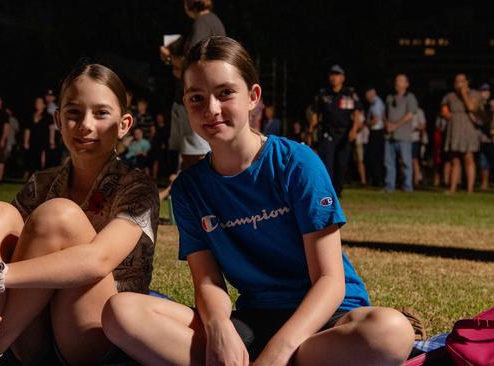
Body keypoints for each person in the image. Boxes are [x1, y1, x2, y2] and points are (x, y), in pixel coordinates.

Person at [103, 36, 414, 366]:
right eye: (197, 98)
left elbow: (330, 280)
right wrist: (220, 327)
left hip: (326, 319)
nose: (211, 109)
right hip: (256, 320)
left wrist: (277, 353)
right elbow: (207, 281)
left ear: (253, 97)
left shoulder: (296, 163)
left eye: (225, 93)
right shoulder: (189, 190)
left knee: (391, 331)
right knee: (120, 312)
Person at [0, 63, 159, 366]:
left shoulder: (138, 187)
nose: (85, 125)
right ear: (58, 120)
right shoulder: (43, 181)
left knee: (58, 215)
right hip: (28, 333)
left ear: (124, 124)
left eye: (101, 113)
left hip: (92, 332)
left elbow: (97, 260)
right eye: (74, 113)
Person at [163, 0, 225, 171]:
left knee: (194, 153)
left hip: (195, 100)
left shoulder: (202, 22)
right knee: (188, 151)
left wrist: (169, 58)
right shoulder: (213, 22)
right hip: (196, 97)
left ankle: (195, 193)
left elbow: (193, 62)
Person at [309, 65, 362, 197]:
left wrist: (354, 130)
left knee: (342, 163)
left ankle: (338, 190)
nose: (334, 77)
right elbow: (315, 114)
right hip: (327, 132)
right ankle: (327, 191)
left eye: (337, 74)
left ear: (343, 78)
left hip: (344, 134)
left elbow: (357, 113)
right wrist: (311, 131)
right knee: (327, 163)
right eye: (332, 74)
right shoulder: (323, 94)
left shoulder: (349, 94)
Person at [441, 73, 482, 193]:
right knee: (455, 159)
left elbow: (471, 107)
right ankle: (453, 188)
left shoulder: (474, 94)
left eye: (462, 81)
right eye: (457, 81)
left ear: (467, 82)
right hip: (455, 126)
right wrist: (445, 113)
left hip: (468, 127)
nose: (459, 84)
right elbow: (443, 108)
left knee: (468, 157)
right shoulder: (450, 96)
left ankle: (470, 189)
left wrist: (464, 93)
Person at [384, 74, 418, 193]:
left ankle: (408, 186)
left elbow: (410, 115)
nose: (398, 83)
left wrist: (395, 125)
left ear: (406, 84)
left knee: (406, 162)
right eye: (397, 80)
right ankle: (389, 186)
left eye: (401, 81)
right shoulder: (389, 97)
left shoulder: (410, 97)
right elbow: (385, 113)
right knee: (389, 162)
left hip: (403, 136)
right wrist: (387, 124)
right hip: (389, 136)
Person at [23, 97, 52, 177]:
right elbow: (27, 129)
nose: (37, 104)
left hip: (43, 140)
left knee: (43, 158)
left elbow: (51, 129)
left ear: (43, 105)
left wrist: (51, 140)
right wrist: (26, 141)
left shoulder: (48, 116)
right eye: (36, 102)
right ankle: (31, 176)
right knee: (32, 159)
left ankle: (42, 174)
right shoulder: (31, 116)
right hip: (33, 141)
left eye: (39, 103)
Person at [364, 87, 385, 187]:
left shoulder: (376, 103)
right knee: (375, 156)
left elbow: (376, 119)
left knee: (375, 156)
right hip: (377, 132)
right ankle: (377, 179)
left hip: (377, 132)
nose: (366, 97)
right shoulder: (376, 102)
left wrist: (367, 124)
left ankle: (378, 180)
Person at [411, 108, 427, 188]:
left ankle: (416, 181)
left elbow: (423, 125)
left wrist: (415, 128)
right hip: (404, 138)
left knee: (415, 159)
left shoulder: (418, 111)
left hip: (414, 139)